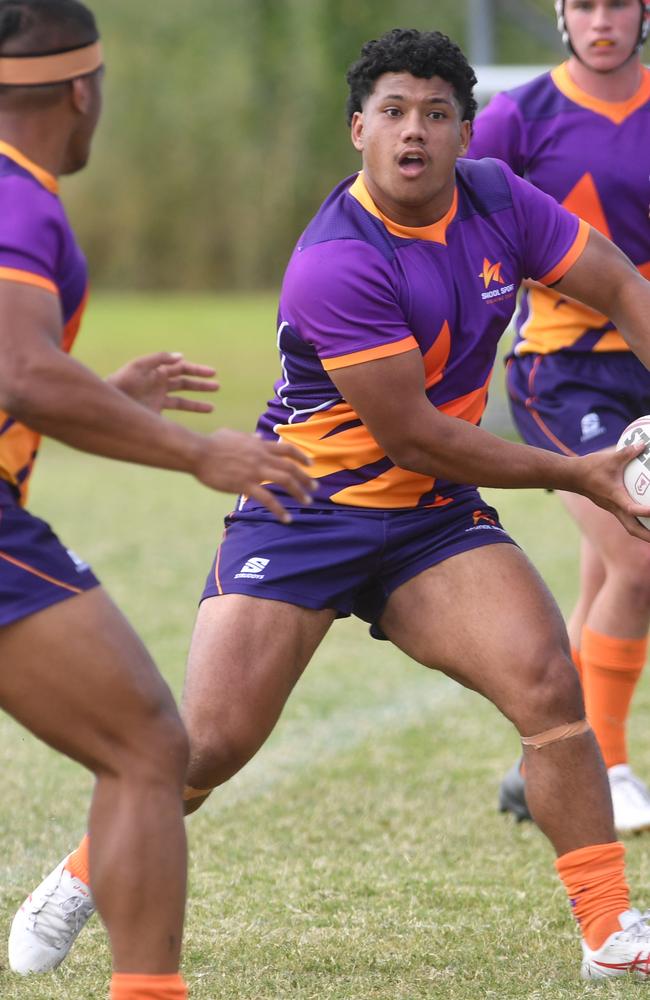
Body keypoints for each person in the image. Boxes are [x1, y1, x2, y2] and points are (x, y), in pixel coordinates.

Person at [11, 25, 650, 983]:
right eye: (393, 112)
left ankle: (609, 929)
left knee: (547, 687)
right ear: (357, 128)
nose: (414, 133)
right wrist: (584, 471)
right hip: (304, 508)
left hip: (431, 519)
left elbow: (618, 284)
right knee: (209, 744)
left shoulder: (498, 200)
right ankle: (82, 873)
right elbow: (415, 436)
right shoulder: (336, 259)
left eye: (437, 114)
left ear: (466, 132)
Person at [0, 2, 314, 999]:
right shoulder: (20, 201)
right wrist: (194, 452)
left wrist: (98, 394)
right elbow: (21, 367)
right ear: (83, 93)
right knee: (145, 744)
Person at [467, 0, 650, 835]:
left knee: (609, 574)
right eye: (585, 3)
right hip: (565, 373)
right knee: (639, 559)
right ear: (561, 15)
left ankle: (536, 769)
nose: (602, 19)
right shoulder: (516, 117)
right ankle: (606, 766)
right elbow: (454, 228)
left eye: (619, 1)